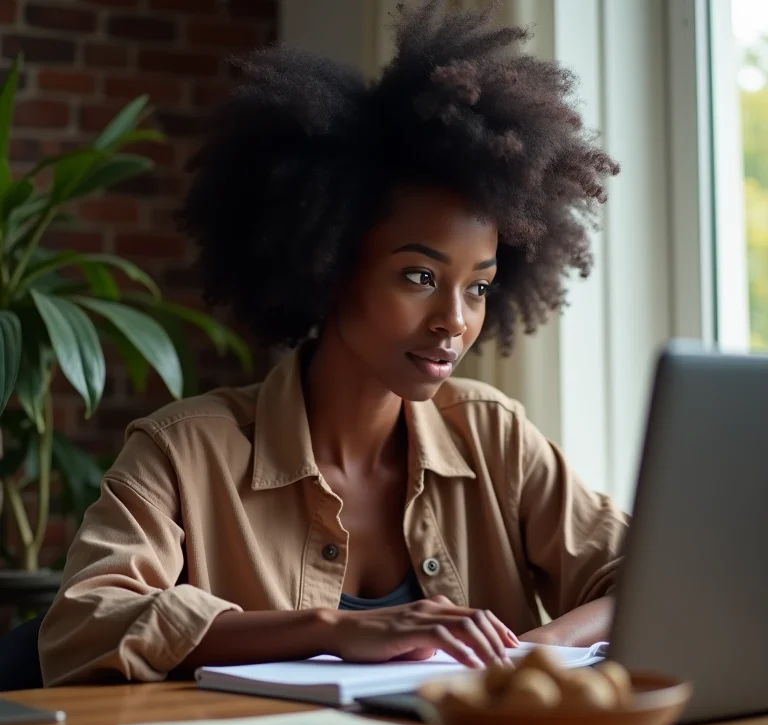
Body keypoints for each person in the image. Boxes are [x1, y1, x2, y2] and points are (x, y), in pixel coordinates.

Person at [38, 0, 626, 686]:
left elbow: (647, 576)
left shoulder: (494, 437)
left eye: (477, 287)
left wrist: (531, 650)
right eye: (419, 276)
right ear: (328, 264)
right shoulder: (186, 451)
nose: (454, 321)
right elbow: (85, 622)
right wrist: (332, 630)